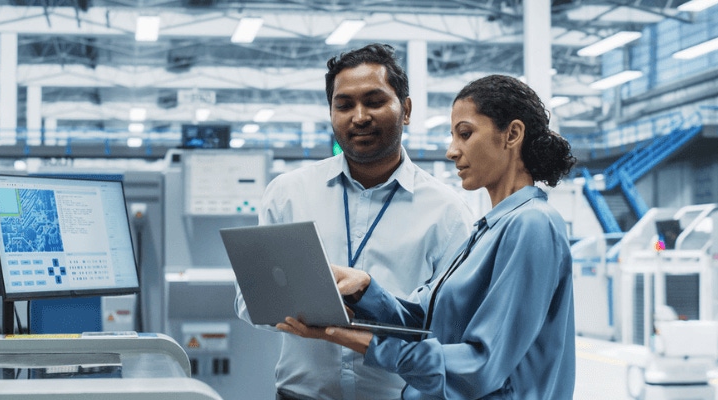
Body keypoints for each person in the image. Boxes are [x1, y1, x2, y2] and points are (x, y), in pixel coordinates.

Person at [277, 74, 578, 399]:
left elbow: (480, 366)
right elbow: (427, 320)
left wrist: (351, 338)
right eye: (453, 136)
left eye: (465, 134)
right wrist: (364, 289)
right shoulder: (488, 230)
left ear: (512, 134)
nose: (452, 151)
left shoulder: (532, 224)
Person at [234, 43, 475, 400]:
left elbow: (453, 326)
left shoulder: (447, 211)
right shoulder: (288, 193)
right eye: (344, 105)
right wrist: (300, 308)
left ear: (406, 110)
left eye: (374, 102)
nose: (359, 117)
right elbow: (248, 300)